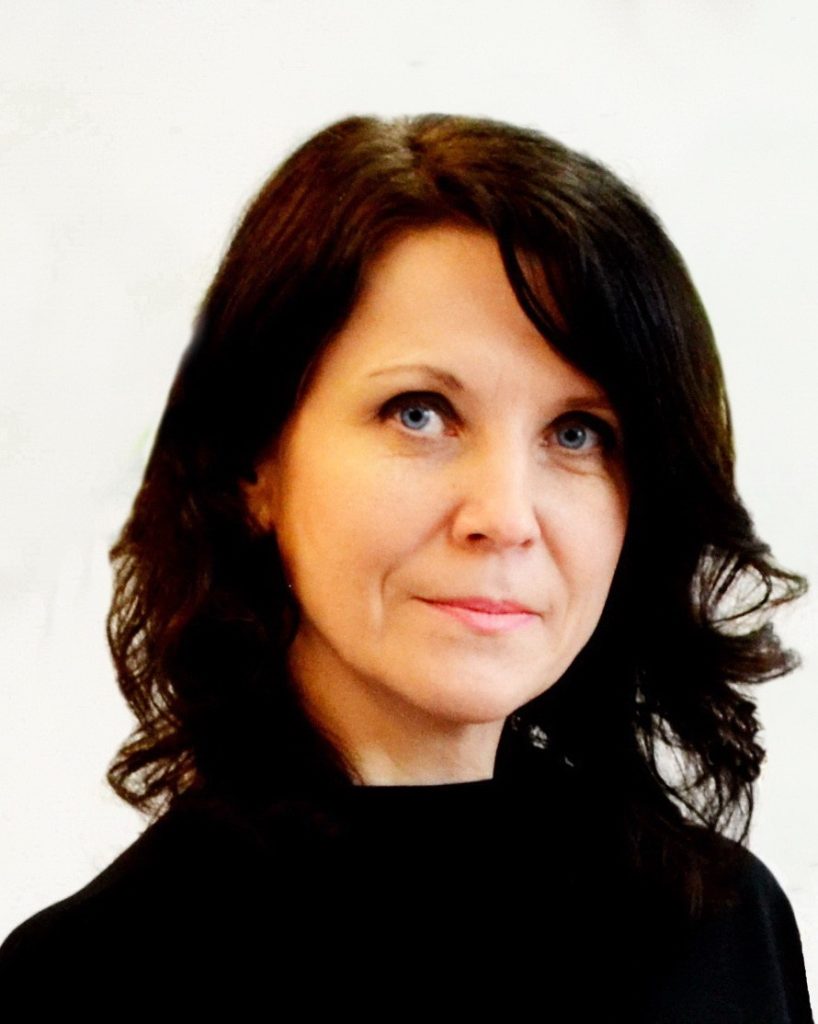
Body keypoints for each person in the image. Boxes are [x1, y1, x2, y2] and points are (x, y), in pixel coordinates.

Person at [0, 114, 812, 1020]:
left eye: (578, 433)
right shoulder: (81, 987)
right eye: (418, 413)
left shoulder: (724, 927)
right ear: (252, 463)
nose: (505, 517)